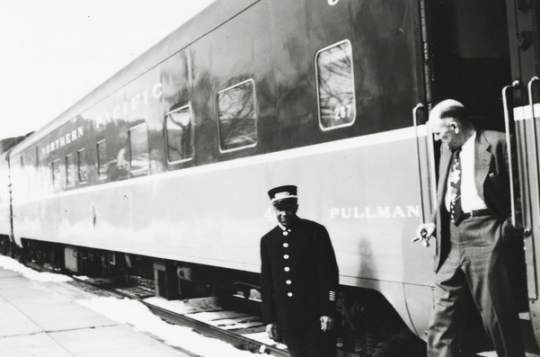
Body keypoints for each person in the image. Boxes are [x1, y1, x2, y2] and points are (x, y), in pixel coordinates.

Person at [415, 99, 525, 357]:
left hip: (487, 234)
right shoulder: (447, 150)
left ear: (453, 126)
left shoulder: (499, 142)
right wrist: (433, 222)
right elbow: (446, 191)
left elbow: (522, 193)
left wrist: (505, 230)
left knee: (497, 319)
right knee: (441, 321)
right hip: (453, 239)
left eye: (438, 133)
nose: (436, 139)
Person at [260, 185, 339, 357]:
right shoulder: (268, 241)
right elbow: (267, 285)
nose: (284, 214)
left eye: (288, 209)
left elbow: (329, 275)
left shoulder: (315, 232)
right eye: (280, 209)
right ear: (274, 210)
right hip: (288, 321)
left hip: (316, 317)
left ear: (296, 208)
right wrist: (270, 320)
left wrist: (327, 311)